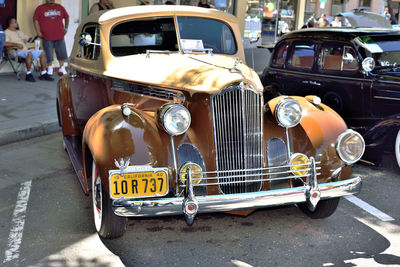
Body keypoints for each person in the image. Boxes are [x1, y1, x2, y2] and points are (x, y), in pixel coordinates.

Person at [4, 17, 54, 82]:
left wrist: (36, 37)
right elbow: (4, 43)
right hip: (15, 52)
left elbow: (29, 40)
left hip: (25, 51)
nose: (17, 23)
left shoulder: (19, 32)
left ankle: (43, 73)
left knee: (42, 52)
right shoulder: (6, 32)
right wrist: (16, 45)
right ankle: (28, 74)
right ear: (10, 24)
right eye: (15, 22)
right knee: (29, 53)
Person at [33, 0, 69, 76]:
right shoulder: (40, 8)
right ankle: (50, 68)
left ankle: (62, 67)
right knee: (48, 53)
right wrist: (38, 32)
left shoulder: (60, 7)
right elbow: (35, 20)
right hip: (47, 35)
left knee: (61, 52)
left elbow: (67, 17)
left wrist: (66, 28)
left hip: (59, 35)